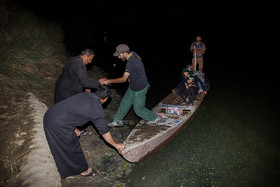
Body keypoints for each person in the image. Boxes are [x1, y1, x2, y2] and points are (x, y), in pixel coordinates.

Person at [43, 86, 125, 179]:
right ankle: (83, 170)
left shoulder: (85, 94)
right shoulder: (97, 109)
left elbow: (72, 110)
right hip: (57, 124)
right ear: (105, 99)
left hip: (51, 113)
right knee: (72, 147)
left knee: (65, 143)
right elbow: (104, 132)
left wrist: (73, 127)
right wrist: (115, 145)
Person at [102, 44, 161, 126]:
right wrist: (132, 76)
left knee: (138, 109)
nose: (118, 57)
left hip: (140, 88)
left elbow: (123, 79)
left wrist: (109, 81)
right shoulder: (133, 54)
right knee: (125, 102)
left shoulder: (131, 62)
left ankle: (154, 118)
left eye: (119, 55)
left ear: (124, 53)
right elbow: (137, 69)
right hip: (133, 85)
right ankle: (117, 120)